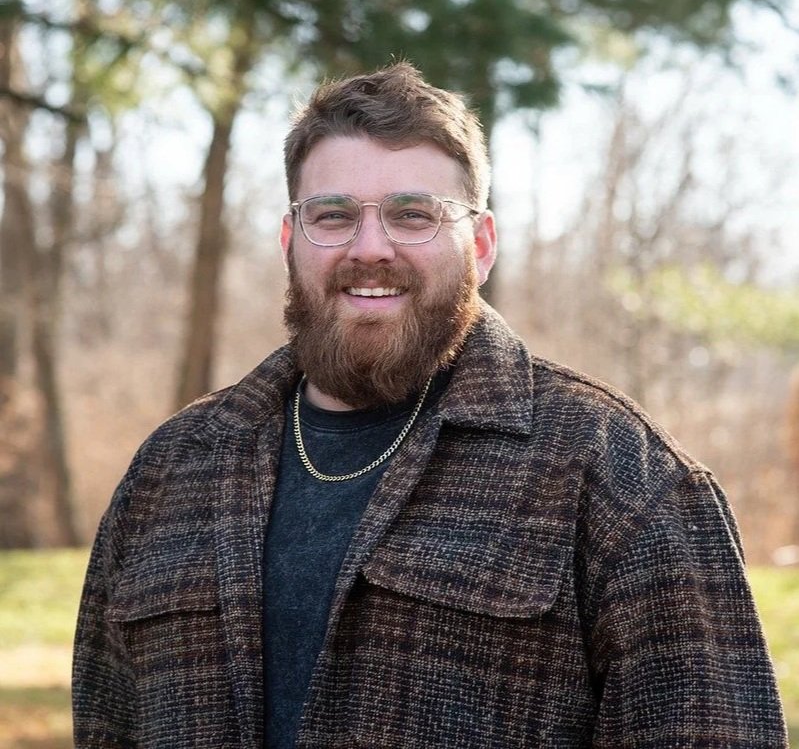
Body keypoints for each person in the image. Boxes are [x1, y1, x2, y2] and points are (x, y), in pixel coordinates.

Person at [72, 62, 788, 748]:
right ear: (291, 241)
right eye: (333, 214)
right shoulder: (171, 471)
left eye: (414, 214)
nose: (370, 246)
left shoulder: (615, 472)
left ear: (479, 242)